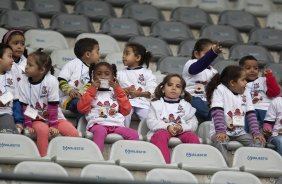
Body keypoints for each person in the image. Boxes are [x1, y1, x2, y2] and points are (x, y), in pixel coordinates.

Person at [18, 49, 79, 157]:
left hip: (55, 118)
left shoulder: (51, 80)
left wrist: (54, 125)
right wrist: (28, 124)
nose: (26, 67)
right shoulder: (22, 81)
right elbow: (24, 106)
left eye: (30, 65)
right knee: (43, 130)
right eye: (27, 63)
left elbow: (53, 106)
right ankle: (42, 158)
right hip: (35, 119)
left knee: (74, 133)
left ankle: (66, 158)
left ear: (41, 70)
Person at [206, 65, 266, 165]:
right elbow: (217, 112)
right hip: (220, 131)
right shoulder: (220, 90)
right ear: (232, 83)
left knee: (259, 141)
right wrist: (220, 131)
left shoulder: (246, 92)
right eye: (243, 80)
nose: (246, 83)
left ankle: (249, 166)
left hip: (240, 133)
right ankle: (223, 167)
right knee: (221, 141)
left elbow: (251, 114)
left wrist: (256, 133)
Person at [77, 62, 139, 151]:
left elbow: (126, 111)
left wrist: (118, 90)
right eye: (99, 74)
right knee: (100, 131)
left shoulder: (117, 92)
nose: (103, 76)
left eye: (107, 74)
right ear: (93, 78)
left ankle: (127, 157)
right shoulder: (89, 92)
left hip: (116, 125)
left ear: (113, 77)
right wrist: (92, 89)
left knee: (134, 134)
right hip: (97, 124)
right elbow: (81, 108)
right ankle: (97, 157)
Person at [147, 73, 200, 164]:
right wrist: (167, 127)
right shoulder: (156, 105)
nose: (174, 88)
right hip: (162, 131)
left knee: (192, 137)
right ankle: (163, 164)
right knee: (160, 135)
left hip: (182, 132)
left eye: (178, 86)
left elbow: (194, 124)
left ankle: (191, 165)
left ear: (182, 91)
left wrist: (182, 128)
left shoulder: (187, 106)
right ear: (163, 89)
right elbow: (151, 122)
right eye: (170, 85)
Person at [117, 42, 157, 127]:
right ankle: (124, 131)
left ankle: (148, 136)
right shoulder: (119, 74)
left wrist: (139, 94)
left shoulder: (147, 73)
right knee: (125, 113)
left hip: (142, 103)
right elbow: (113, 87)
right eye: (123, 53)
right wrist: (123, 90)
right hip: (125, 102)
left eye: (127, 53)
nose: (123, 56)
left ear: (138, 57)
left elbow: (153, 90)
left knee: (148, 118)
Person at [182, 38, 223, 122]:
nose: (210, 56)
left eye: (211, 54)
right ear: (196, 54)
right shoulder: (190, 63)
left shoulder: (213, 71)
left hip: (207, 102)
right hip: (191, 98)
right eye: (207, 53)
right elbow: (197, 67)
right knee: (202, 105)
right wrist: (213, 53)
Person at [58, 38, 100, 115]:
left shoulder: (95, 71)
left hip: (85, 99)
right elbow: (61, 81)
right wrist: (70, 90)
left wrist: (80, 93)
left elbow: (90, 85)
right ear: (87, 54)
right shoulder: (72, 64)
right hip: (68, 99)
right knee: (81, 105)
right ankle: (79, 126)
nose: (99, 55)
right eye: (97, 52)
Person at [239, 55, 280, 130]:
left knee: (269, 127)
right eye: (248, 68)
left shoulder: (263, 80)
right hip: (249, 110)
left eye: (256, 68)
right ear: (240, 70)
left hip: (266, 109)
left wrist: (269, 77)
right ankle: (243, 134)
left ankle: (269, 135)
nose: (252, 70)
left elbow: (275, 92)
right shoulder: (238, 83)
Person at [0, 43, 23, 133]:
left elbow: (16, 101)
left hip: (5, 114)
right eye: (9, 56)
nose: (13, 60)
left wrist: (18, 121)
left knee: (10, 133)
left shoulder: (12, 75)